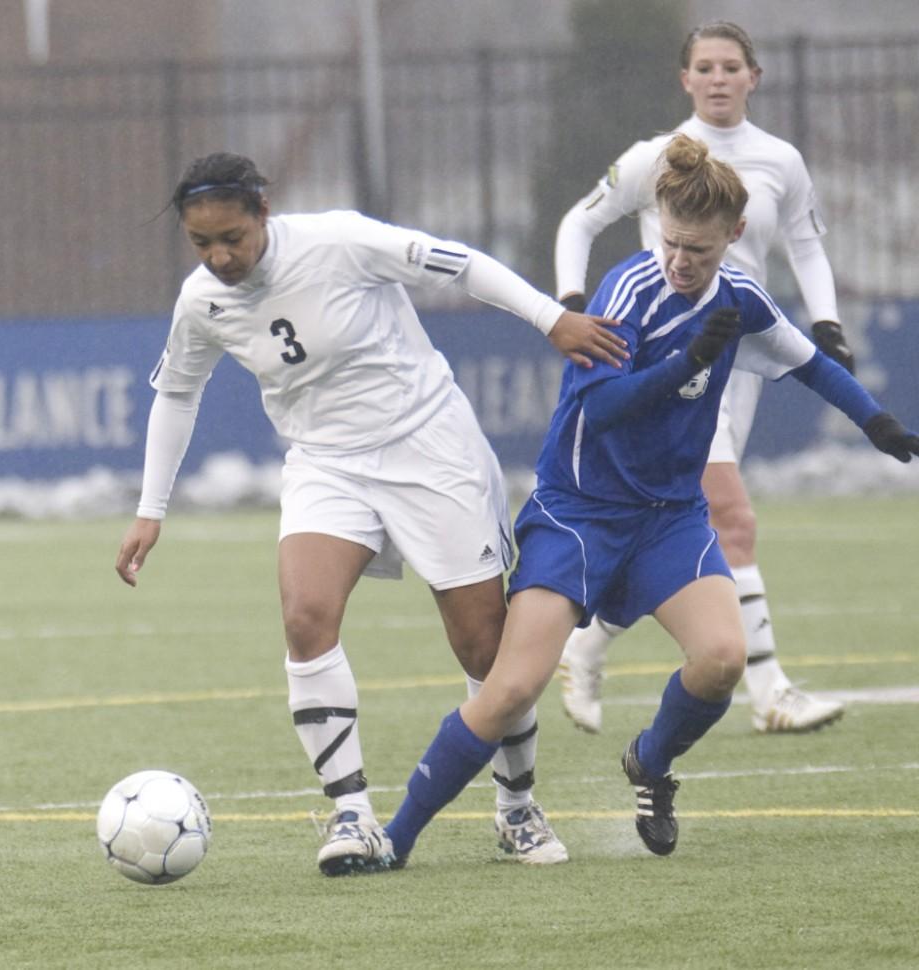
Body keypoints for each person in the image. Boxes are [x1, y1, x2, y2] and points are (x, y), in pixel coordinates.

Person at [378, 133, 918, 866]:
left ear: (734, 235)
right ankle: (395, 838)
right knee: (511, 689)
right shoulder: (627, 293)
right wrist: (687, 361)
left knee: (723, 660)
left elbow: (812, 365)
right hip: (578, 514)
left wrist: (879, 425)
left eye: (697, 247)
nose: (680, 259)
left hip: (668, 518)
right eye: (670, 241)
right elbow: (600, 409)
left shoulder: (741, 300)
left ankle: (650, 764)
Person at [113, 152, 630, 875]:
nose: (220, 256)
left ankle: (516, 807)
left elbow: (461, 264)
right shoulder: (201, 301)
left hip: (430, 447)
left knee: (485, 646)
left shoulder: (339, 241)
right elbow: (176, 393)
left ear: (264, 211)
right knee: (305, 618)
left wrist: (552, 319)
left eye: (232, 235)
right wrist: (150, 509)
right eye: (202, 243)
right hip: (327, 464)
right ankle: (350, 813)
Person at [554, 21, 853, 735]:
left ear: (754, 75)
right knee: (733, 519)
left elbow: (807, 248)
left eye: (731, 67)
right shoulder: (657, 157)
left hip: (736, 363)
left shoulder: (780, 160)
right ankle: (770, 691)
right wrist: (569, 307)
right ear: (685, 79)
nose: (718, 78)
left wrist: (826, 323)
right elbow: (578, 223)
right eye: (704, 68)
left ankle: (584, 648)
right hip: (672, 365)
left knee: (677, 521)